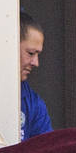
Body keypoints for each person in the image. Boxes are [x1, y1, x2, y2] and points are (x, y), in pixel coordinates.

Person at [19, 11, 52, 141]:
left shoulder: (33, 103)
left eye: (38, 55)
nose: (36, 63)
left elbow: (47, 151)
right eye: (31, 53)